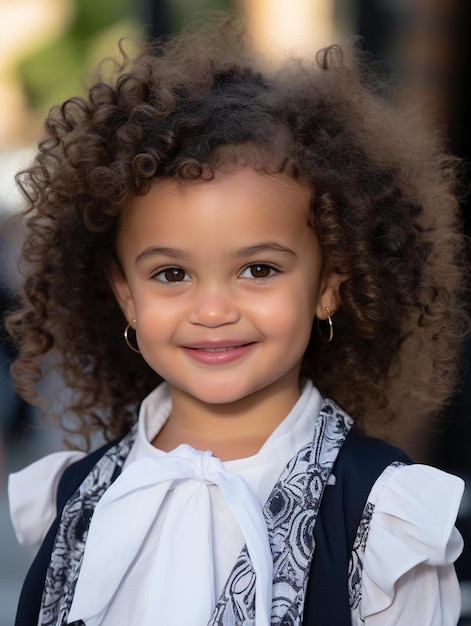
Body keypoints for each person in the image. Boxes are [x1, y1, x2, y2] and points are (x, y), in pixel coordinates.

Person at [5, 15, 467, 626]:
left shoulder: (385, 519)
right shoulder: (72, 501)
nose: (214, 310)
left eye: (258, 270)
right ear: (125, 297)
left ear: (328, 287)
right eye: (172, 274)